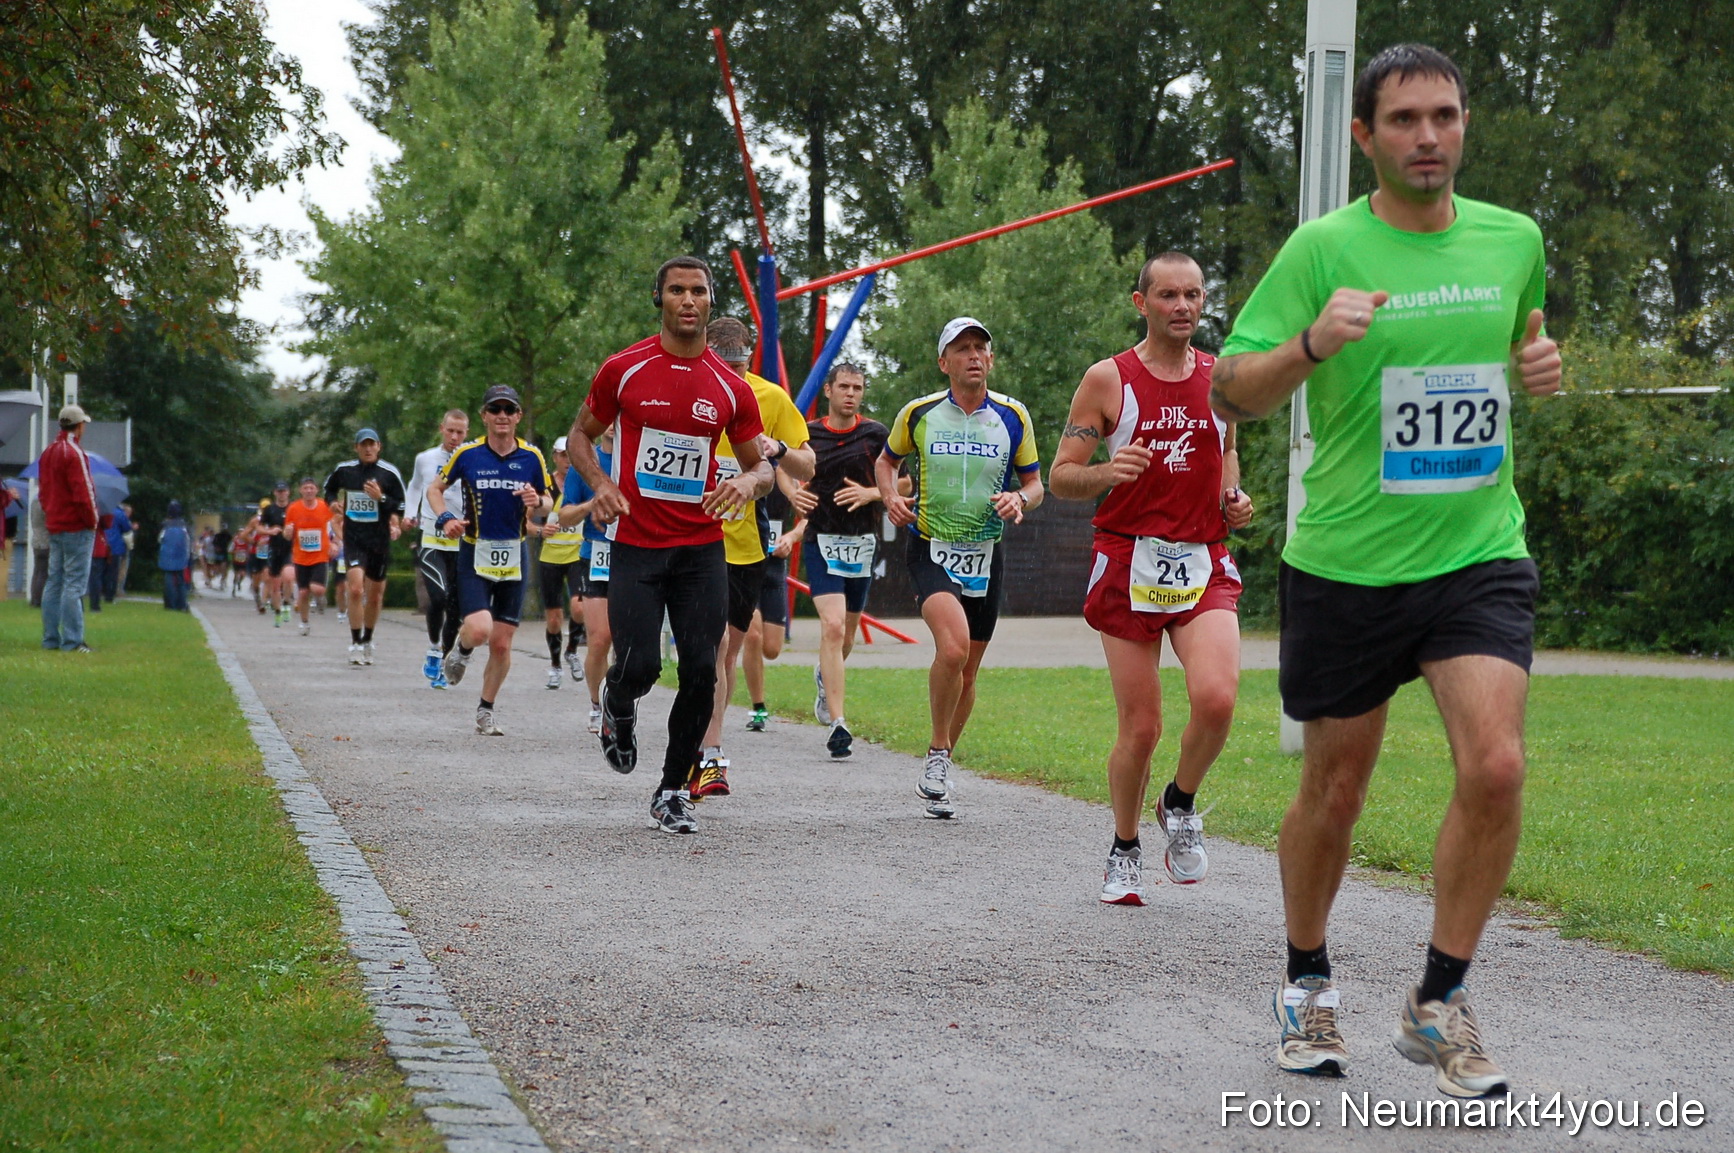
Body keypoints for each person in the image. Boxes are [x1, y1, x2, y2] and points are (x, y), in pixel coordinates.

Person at [1208, 44, 1562, 1098]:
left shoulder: (1514, 240)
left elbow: (1525, 347)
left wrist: (1541, 369)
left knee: (1495, 766)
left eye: (1444, 116)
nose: (1428, 137)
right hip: (1349, 565)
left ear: (1464, 125)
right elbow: (1233, 387)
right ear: (1365, 137)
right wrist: (1311, 343)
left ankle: (1440, 997)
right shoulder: (1324, 248)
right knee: (1336, 788)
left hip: (1477, 551)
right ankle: (1307, 980)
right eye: (1403, 120)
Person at [1050, 252, 1256, 906]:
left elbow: (1225, 448)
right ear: (1142, 302)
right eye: (1168, 295)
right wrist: (1107, 473)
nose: (1183, 306)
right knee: (1141, 727)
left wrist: (1234, 497)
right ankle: (1125, 844)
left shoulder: (1221, 376)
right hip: (1130, 559)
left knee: (1219, 697)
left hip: (1203, 556)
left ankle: (1180, 802)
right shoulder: (1108, 380)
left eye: (1193, 294)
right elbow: (1061, 474)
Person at [566, 256, 770, 835]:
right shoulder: (624, 370)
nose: (688, 300)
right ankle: (618, 702)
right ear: (658, 297)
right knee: (638, 665)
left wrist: (742, 481)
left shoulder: (731, 387)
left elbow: (762, 471)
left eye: (698, 291)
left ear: (710, 301)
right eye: (676, 290)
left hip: (701, 548)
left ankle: (672, 790)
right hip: (636, 542)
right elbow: (581, 432)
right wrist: (602, 483)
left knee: (703, 671)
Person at [877, 319, 1044, 818]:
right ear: (943, 362)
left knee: (968, 673)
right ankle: (935, 750)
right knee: (950, 650)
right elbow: (888, 462)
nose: (973, 355)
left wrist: (1020, 498)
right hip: (930, 546)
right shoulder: (920, 413)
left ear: (990, 361)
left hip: (986, 554)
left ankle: (943, 764)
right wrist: (889, 495)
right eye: (962, 348)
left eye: (981, 348)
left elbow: (1036, 484)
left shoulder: (1013, 416)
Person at [694, 317, 814, 798]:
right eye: (726, 367)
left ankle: (707, 744)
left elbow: (808, 463)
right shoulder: (690, 392)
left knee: (727, 652)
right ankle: (710, 755)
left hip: (746, 547)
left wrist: (779, 449)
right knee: (715, 644)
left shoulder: (770, 398)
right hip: (693, 539)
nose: (735, 377)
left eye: (742, 366)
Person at [430, 385, 552, 736]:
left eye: (508, 410)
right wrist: (445, 519)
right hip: (475, 551)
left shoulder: (531, 457)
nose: (502, 416)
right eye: (495, 409)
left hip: (514, 555)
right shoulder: (468, 454)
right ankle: (463, 648)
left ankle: (486, 709)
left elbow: (546, 502)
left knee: (502, 642)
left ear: (517, 416)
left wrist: (536, 500)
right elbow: (434, 491)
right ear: (484, 415)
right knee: (481, 629)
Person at [792, 362, 888, 760]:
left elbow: (903, 484)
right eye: (844, 386)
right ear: (828, 391)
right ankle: (838, 724)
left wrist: (871, 493)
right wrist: (793, 495)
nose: (851, 393)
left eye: (858, 387)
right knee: (831, 627)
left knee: (845, 637)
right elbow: (783, 468)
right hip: (821, 539)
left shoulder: (876, 434)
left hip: (861, 543)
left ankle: (822, 675)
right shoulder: (808, 434)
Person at [325, 429, 407, 665]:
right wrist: (332, 503)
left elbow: (401, 506)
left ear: (379, 446)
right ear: (356, 447)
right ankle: (355, 642)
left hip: (379, 541)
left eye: (372, 445)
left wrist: (381, 498)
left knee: (374, 595)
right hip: (354, 539)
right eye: (364, 445)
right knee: (356, 589)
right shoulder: (345, 470)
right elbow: (328, 489)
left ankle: (368, 638)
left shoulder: (389, 473)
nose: (368, 449)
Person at [406, 410, 471, 687]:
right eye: (450, 431)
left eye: (460, 432)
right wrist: (410, 513)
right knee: (439, 596)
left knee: (456, 606)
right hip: (432, 536)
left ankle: (443, 660)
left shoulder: (471, 458)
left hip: (461, 541)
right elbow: (415, 487)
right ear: (441, 429)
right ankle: (433, 646)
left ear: (466, 433)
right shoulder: (425, 458)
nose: (455, 437)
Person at [557, 425, 616, 735]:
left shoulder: (634, 460)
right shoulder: (585, 465)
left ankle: (619, 701)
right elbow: (564, 517)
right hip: (595, 556)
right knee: (600, 638)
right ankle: (597, 705)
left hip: (632, 556)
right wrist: (590, 505)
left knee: (628, 643)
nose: (610, 424)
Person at [37, 404, 100, 652]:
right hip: (77, 525)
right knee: (74, 584)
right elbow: (84, 492)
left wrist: (50, 514)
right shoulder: (74, 453)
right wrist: (92, 520)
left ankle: (50, 638)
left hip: (55, 524)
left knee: (54, 581)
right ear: (79, 425)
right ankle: (73, 641)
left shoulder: (48, 452)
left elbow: (43, 491)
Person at [535, 435, 588, 690]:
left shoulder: (583, 481)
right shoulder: (545, 488)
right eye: (562, 455)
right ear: (555, 457)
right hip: (550, 558)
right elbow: (526, 521)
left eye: (570, 455)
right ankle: (555, 665)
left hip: (577, 554)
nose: (567, 460)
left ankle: (572, 650)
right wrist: (538, 531)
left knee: (579, 609)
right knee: (554, 619)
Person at [283, 478, 335, 636]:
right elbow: (286, 532)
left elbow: (334, 524)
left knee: (317, 588)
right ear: (300, 490)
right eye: (305, 488)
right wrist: (288, 532)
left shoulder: (324, 506)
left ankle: (320, 598)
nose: (309, 491)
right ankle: (304, 622)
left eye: (311, 488)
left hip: (320, 555)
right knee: (304, 593)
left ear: (316, 490)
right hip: (301, 556)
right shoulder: (293, 508)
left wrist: (335, 543)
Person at [260, 481, 293, 625]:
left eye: (284, 491)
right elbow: (259, 527)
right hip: (274, 548)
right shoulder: (269, 509)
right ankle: (278, 612)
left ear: (288, 492)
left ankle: (286, 603)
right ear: (275, 493)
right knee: (275, 584)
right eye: (279, 491)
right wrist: (269, 531)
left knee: (289, 577)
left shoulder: (294, 508)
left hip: (290, 548)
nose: (281, 494)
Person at [158, 501, 192, 611]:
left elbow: (160, 539)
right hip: (181, 555)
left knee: (168, 579)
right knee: (181, 581)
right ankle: (181, 604)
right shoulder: (184, 525)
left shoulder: (165, 525)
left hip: (167, 554)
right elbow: (188, 541)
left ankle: (169, 604)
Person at [244, 498, 270, 611]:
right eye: (264, 509)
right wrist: (255, 542)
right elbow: (244, 535)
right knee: (256, 579)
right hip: (257, 552)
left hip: (270, 552)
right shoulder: (255, 521)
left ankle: (263, 602)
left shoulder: (276, 520)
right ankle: (256, 594)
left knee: (267, 576)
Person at [208, 520, 229, 594]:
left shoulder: (229, 536)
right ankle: (214, 578)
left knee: (224, 567)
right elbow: (214, 543)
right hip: (218, 554)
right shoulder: (217, 536)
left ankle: (222, 581)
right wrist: (217, 548)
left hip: (224, 554)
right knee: (217, 568)